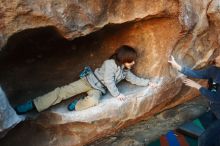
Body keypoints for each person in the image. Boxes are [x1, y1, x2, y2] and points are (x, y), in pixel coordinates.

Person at [15, 45, 158, 114]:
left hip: (98, 89)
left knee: (94, 101)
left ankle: (77, 104)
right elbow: (109, 80)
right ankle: (34, 104)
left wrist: (148, 83)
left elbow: (133, 78)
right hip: (88, 81)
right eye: (131, 60)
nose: (133, 63)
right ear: (124, 58)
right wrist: (117, 94)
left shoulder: (125, 70)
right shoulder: (110, 64)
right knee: (62, 92)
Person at [168, 55, 220, 146]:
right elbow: (198, 74)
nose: (216, 58)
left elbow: (216, 97)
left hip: (216, 105)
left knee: (204, 140)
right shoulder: (214, 69)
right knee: (214, 137)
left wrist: (197, 86)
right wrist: (177, 66)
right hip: (215, 109)